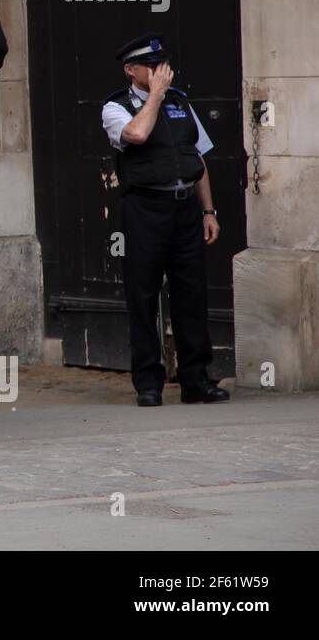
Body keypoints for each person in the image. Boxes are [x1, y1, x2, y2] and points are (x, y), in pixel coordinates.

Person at [101, 32, 229, 407]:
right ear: (131, 70)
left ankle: (195, 379)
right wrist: (155, 95)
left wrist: (208, 211)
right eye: (152, 66)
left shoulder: (180, 102)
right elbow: (137, 134)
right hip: (145, 209)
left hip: (185, 207)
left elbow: (197, 158)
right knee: (142, 294)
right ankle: (148, 382)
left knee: (191, 294)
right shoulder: (116, 107)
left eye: (162, 65)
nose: (161, 71)